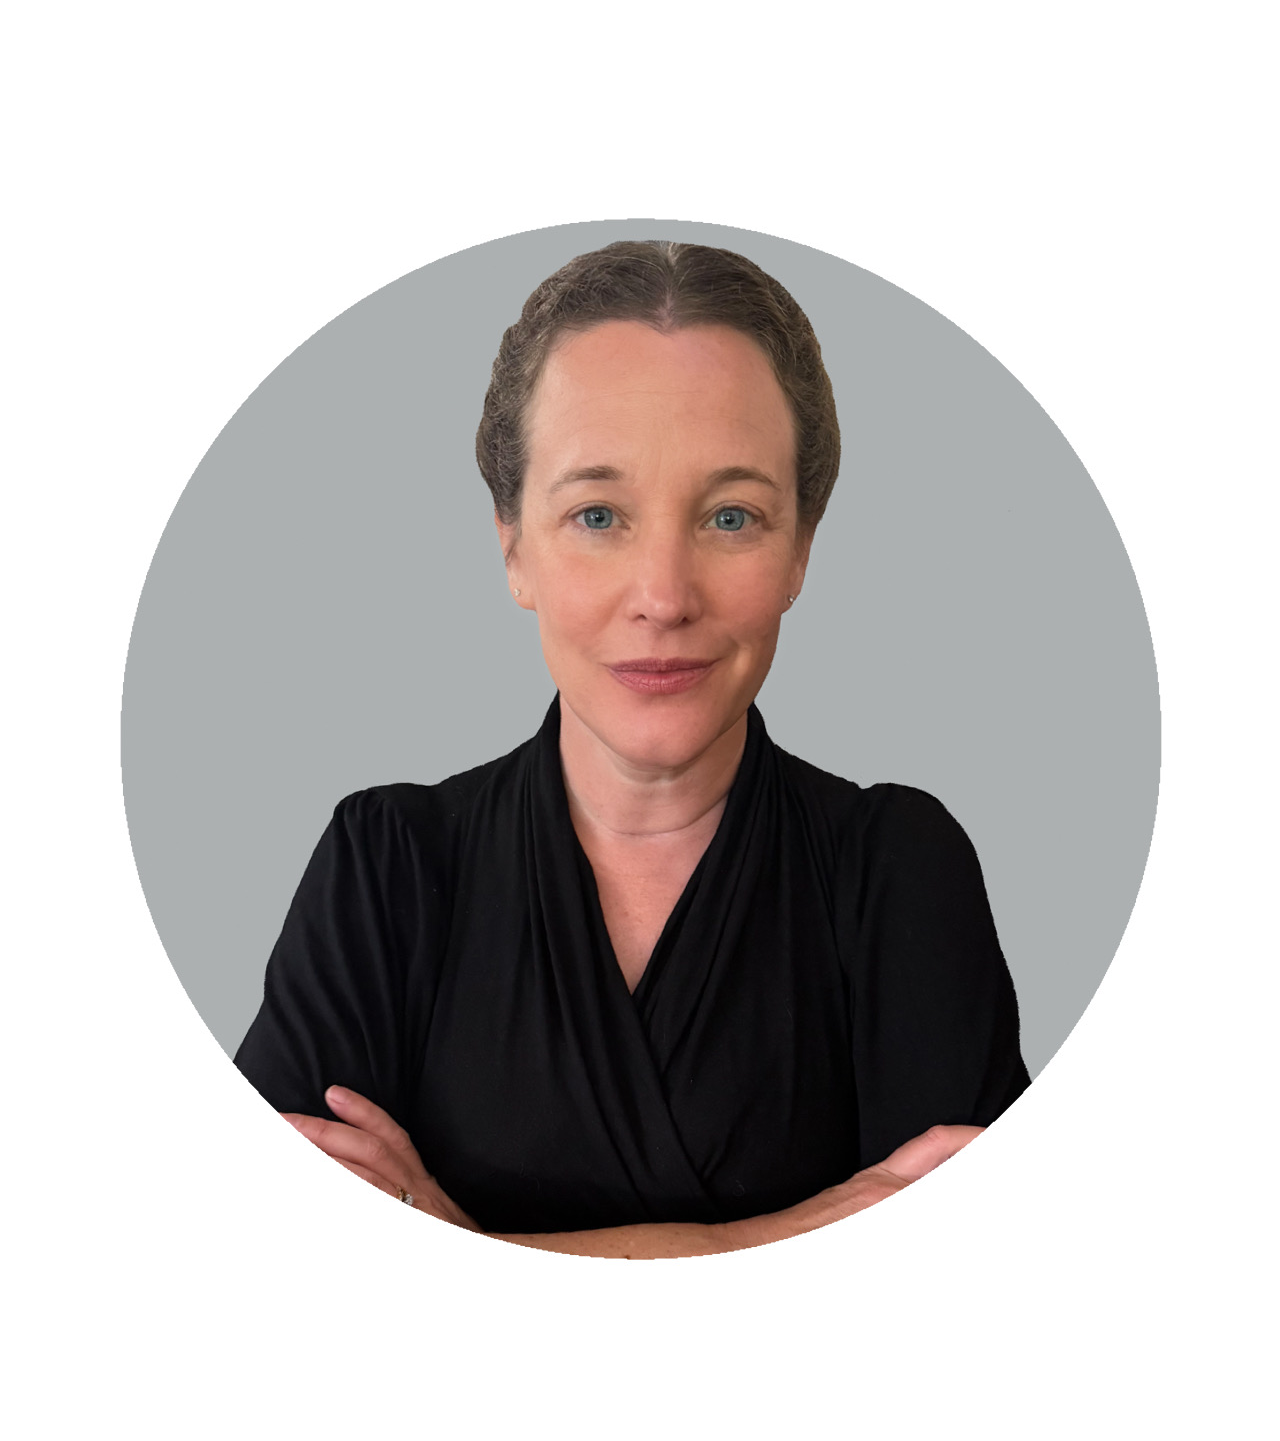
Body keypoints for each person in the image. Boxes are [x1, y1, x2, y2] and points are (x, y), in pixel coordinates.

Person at [235, 240, 1028, 1256]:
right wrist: (796, 1232)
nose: (663, 596)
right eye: (598, 514)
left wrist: (453, 1241)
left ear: (801, 548)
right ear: (513, 545)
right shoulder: (385, 865)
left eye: (731, 516)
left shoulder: (899, 867)